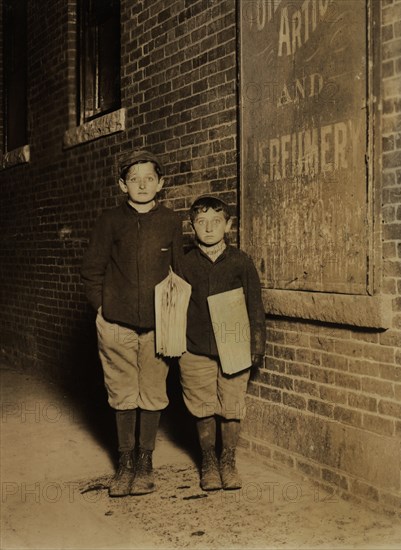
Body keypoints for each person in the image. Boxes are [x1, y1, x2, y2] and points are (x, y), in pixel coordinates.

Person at [81, 149, 183, 497]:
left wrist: (175, 319)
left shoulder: (171, 221)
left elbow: (180, 275)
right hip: (117, 324)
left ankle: (145, 463)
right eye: (134, 179)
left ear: (161, 183)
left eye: (149, 178)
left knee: (153, 394)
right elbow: (92, 270)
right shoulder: (109, 220)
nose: (142, 184)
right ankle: (124, 464)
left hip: (158, 326)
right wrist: (102, 310)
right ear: (123, 184)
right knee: (123, 395)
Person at [179, 195, 266, 491]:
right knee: (202, 405)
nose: (209, 228)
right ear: (192, 226)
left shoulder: (241, 261)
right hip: (195, 347)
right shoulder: (184, 263)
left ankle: (228, 461)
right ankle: (209, 462)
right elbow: (172, 304)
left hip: (235, 346)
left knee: (231, 405)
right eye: (201, 222)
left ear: (227, 224)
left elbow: (255, 305)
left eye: (216, 221)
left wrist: (256, 346)